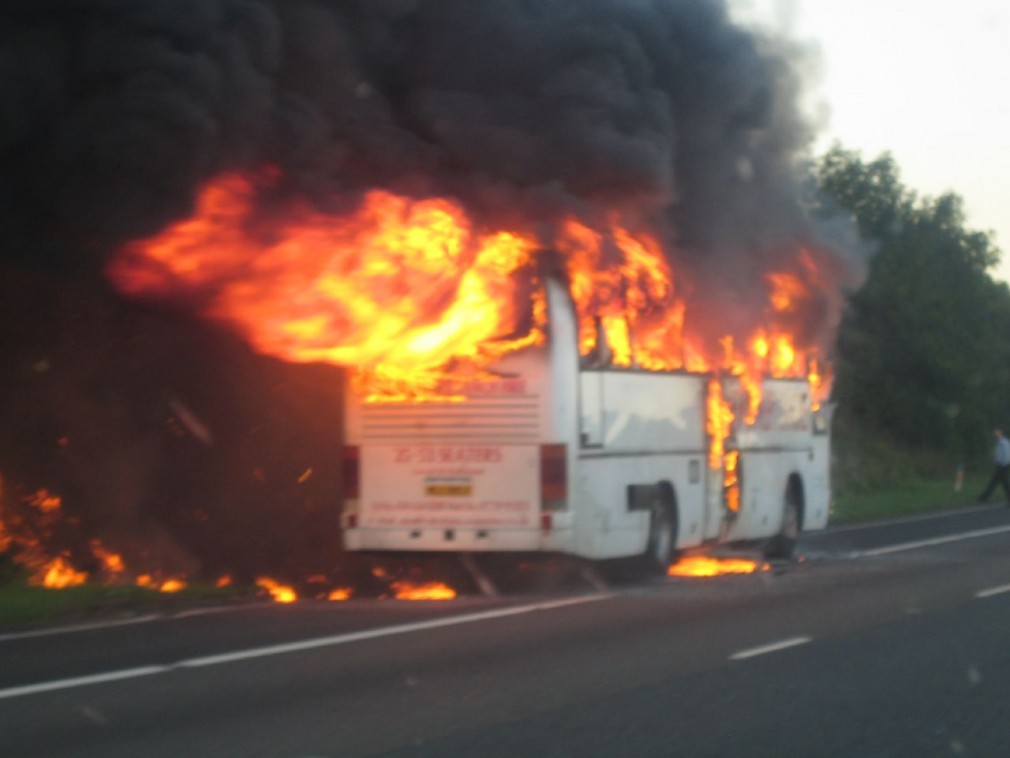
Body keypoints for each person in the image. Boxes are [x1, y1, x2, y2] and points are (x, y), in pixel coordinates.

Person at [978, 428, 1010, 503]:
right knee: (1000, 482)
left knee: (997, 482)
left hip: (1003, 465)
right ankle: (984, 497)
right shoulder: (1001, 442)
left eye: (996, 434)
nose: (995, 436)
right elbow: (999, 454)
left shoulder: (1003, 443)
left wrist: (1002, 463)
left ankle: (984, 498)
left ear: (1000, 434)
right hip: (1002, 465)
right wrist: (995, 460)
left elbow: (1006, 454)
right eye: (995, 435)